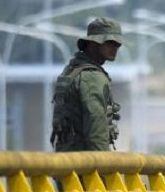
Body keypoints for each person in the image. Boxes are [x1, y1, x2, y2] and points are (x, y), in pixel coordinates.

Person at [50, 17, 123, 152]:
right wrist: (104, 168)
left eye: (118, 44)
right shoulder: (92, 77)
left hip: (68, 160)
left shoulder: (73, 69)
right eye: (110, 42)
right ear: (93, 43)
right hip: (84, 165)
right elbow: (96, 132)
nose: (115, 47)